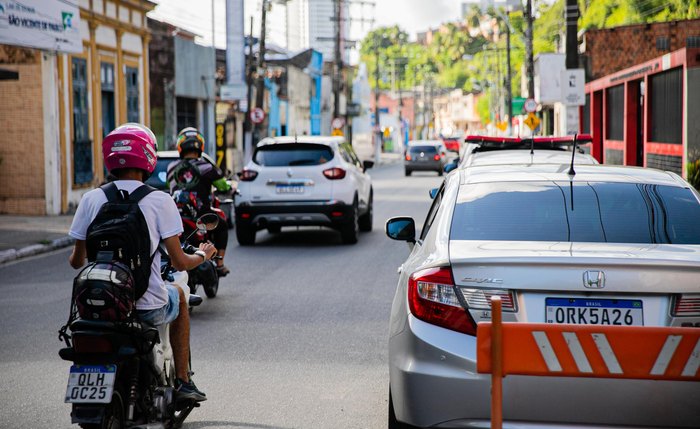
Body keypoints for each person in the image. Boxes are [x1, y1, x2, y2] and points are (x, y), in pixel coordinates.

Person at [68, 123, 216, 402]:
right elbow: (180, 262)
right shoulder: (159, 201)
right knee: (181, 296)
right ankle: (183, 381)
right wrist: (204, 255)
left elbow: (77, 261)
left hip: (97, 308)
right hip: (147, 307)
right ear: (148, 156)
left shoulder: (91, 198)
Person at [167, 127, 231, 276]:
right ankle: (220, 264)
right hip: (202, 216)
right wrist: (229, 187)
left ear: (180, 147)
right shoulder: (206, 167)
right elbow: (222, 185)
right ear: (200, 146)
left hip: (177, 217)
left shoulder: (171, 167)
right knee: (222, 226)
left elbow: (168, 186)